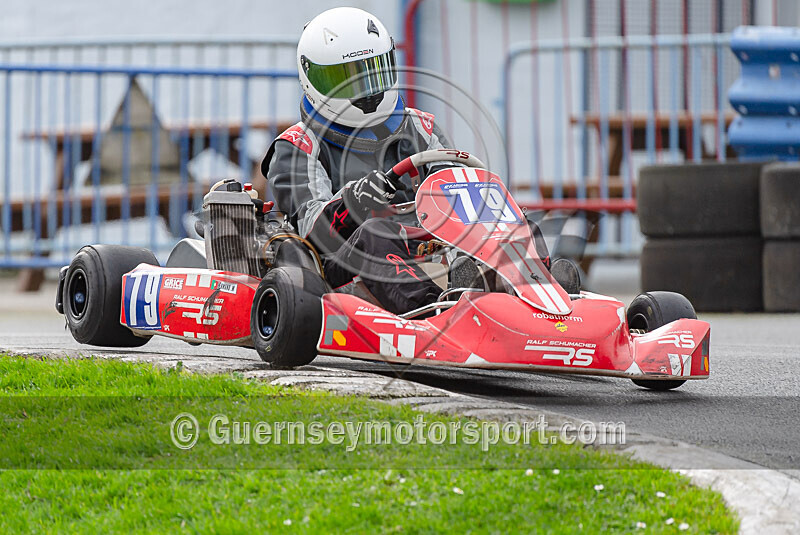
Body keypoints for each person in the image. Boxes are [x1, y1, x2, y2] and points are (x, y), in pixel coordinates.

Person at [261, 6, 454, 314]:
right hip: (339, 268)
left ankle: (528, 302)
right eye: (346, 79)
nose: (366, 91)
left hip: (424, 247)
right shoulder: (297, 145)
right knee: (376, 232)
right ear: (312, 78)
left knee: (514, 224)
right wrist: (353, 200)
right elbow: (312, 230)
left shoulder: (421, 127)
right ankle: (434, 313)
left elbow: (456, 192)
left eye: (372, 72)